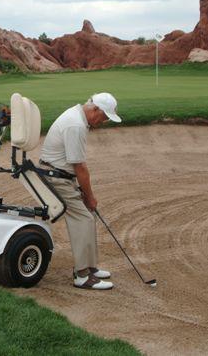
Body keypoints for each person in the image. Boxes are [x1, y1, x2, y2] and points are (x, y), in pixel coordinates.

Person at [39, 93, 121, 290]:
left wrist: (84, 194)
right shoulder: (75, 124)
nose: (104, 121)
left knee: (87, 216)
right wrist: (89, 196)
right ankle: (82, 275)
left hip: (59, 175)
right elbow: (80, 167)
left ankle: (90, 267)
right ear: (95, 110)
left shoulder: (78, 118)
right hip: (54, 178)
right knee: (83, 218)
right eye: (104, 117)